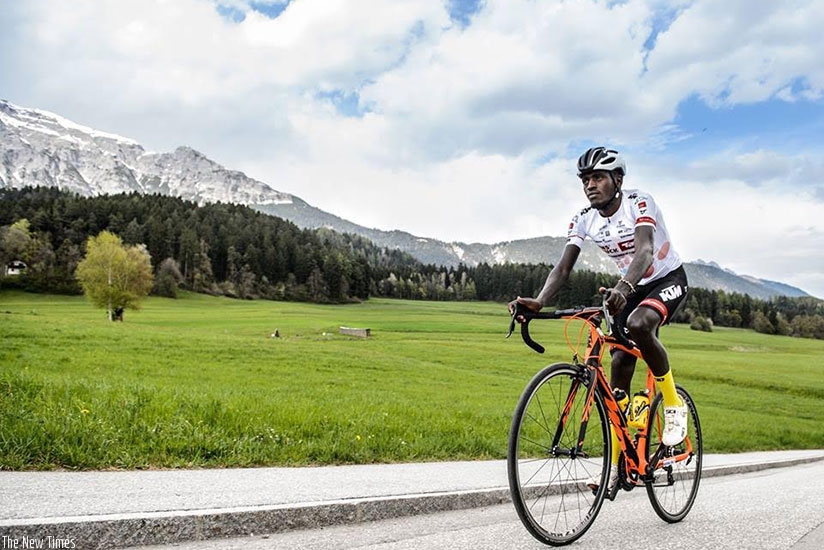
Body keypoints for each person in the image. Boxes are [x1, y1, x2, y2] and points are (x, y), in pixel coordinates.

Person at [509, 146, 689, 490]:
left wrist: (622, 287)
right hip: (629, 287)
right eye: (585, 180)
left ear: (617, 179)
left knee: (639, 324)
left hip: (666, 279)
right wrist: (540, 301)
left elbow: (645, 251)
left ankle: (672, 404)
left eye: (598, 178)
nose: (590, 185)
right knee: (619, 362)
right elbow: (563, 268)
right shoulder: (583, 218)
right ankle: (620, 463)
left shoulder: (639, 203)